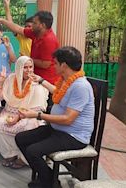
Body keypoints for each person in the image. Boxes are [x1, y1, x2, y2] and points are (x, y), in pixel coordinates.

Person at [16, 47, 95, 188]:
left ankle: (48, 182)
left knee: (32, 151)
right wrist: (41, 80)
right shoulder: (67, 80)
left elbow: (68, 119)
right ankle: (50, 178)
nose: (54, 66)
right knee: (21, 138)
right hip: (59, 129)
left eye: (56, 63)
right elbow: (57, 92)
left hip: (73, 136)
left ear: (64, 65)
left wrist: (37, 115)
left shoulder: (80, 86)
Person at [0, 56, 48, 169]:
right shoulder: (10, 79)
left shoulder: (36, 83)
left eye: (30, 67)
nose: (29, 70)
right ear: (18, 68)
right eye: (25, 67)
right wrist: (1, 82)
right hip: (9, 112)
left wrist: (19, 117)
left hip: (29, 115)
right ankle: (10, 154)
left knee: (29, 126)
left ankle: (24, 158)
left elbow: (38, 108)